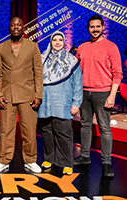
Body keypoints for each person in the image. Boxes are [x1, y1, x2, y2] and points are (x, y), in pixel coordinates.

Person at [74, 14, 123, 178]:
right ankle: (85, 156)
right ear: (88, 28)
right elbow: (76, 72)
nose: (94, 29)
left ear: (103, 27)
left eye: (97, 26)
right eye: (91, 27)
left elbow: (117, 74)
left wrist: (112, 96)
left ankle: (106, 162)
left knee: (104, 128)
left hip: (103, 93)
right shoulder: (82, 48)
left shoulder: (111, 47)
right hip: (84, 93)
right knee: (85, 125)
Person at [0, 17, 43, 174]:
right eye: (13, 25)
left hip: (28, 95)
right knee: (5, 130)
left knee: (29, 130)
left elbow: (39, 73)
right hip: (7, 96)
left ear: (23, 28)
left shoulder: (32, 47)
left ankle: (30, 159)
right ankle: (3, 160)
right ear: (9, 27)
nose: (16, 27)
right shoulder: (1, 47)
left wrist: (38, 95)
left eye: (19, 25)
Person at [38, 31, 83, 175]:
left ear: (64, 42)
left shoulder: (72, 60)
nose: (57, 42)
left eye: (60, 40)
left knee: (63, 133)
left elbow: (78, 83)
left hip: (62, 103)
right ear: (50, 42)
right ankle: (49, 158)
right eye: (54, 40)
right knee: (47, 132)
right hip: (45, 103)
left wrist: (76, 103)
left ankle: (66, 162)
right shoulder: (42, 59)